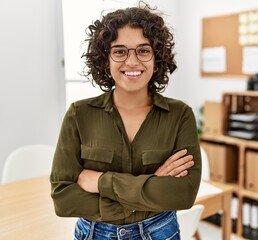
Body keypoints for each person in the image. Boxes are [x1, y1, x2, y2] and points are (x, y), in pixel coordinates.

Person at [50, 2, 201, 240]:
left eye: (143, 50)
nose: (131, 62)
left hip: (160, 232)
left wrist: (101, 181)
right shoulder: (79, 114)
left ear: (156, 57)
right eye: (120, 51)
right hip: (94, 234)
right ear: (105, 59)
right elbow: (63, 198)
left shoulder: (179, 115)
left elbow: (183, 194)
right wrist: (152, 186)